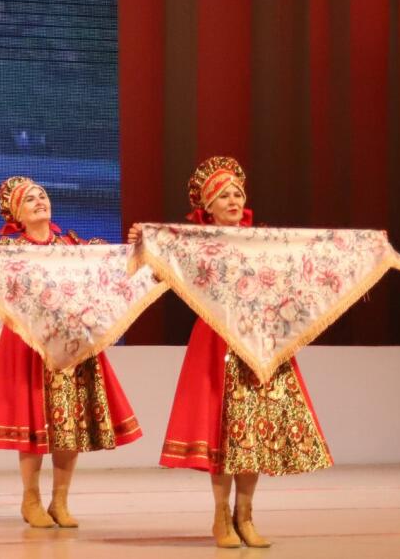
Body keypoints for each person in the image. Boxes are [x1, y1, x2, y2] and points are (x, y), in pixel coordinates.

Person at [129, 156, 332, 548]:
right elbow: (157, 269)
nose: (234, 200)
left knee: (253, 428)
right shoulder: (197, 244)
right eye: (223, 196)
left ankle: (246, 516)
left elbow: (298, 270)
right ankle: (221, 516)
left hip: (259, 342)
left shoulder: (262, 241)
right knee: (221, 430)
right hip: (217, 339)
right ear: (208, 206)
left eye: (238, 193)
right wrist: (144, 240)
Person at [0, 176, 142, 527]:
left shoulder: (72, 245)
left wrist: (138, 245)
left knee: (69, 421)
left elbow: (111, 264)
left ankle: (60, 501)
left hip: (73, 344)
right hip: (31, 343)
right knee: (33, 423)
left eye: (42, 195)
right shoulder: (9, 251)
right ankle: (31, 499)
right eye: (29, 199)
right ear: (16, 214)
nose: (39, 201)